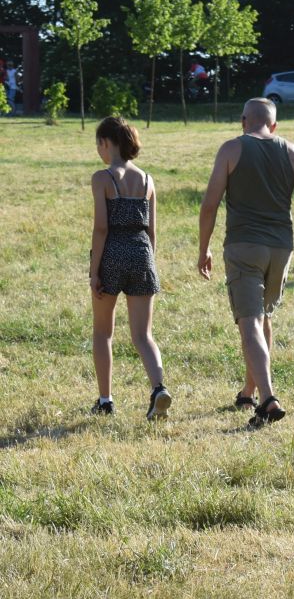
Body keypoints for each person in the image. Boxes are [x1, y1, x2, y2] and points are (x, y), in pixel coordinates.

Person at [197, 98, 294, 428]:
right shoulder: (292, 152)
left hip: (243, 246)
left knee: (249, 321)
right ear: (274, 125)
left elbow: (209, 205)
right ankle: (248, 391)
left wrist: (204, 249)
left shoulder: (231, 149)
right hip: (281, 248)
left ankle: (267, 398)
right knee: (263, 317)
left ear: (243, 121)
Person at [88, 117, 171, 420]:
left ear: (105, 143)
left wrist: (94, 271)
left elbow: (101, 228)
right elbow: (152, 232)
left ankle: (105, 400)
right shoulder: (147, 180)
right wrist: (148, 263)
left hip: (111, 255)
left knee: (103, 332)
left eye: (98, 144)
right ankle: (159, 388)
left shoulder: (103, 178)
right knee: (143, 335)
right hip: (142, 254)